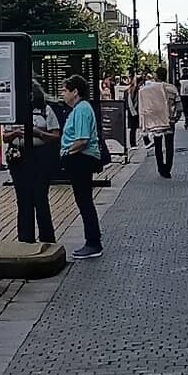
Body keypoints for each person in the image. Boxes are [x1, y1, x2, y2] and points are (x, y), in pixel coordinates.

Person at [5, 81, 60, 245]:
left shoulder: (46, 110)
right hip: (19, 156)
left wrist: (38, 133)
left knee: (40, 198)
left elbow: (56, 135)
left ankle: (47, 238)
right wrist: (16, 132)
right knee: (23, 200)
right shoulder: (14, 112)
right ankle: (25, 239)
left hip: (40, 157)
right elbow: (5, 136)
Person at [60, 75, 102, 260]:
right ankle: (92, 239)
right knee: (83, 200)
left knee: (84, 201)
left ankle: (93, 242)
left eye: (65, 90)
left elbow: (82, 139)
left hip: (81, 159)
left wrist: (67, 152)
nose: (62, 94)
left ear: (75, 92)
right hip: (79, 159)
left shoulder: (82, 109)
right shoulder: (79, 109)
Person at [137, 69, 182, 178]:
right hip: (169, 120)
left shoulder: (149, 89)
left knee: (158, 145)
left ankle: (161, 167)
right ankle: (168, 168)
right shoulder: (172, 88)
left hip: (156, 121)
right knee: (169, 145)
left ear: (156, 76)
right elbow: (179, 106)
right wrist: (175, 118)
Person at [127, 75, 141, 149]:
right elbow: (132, 101)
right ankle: (133, 143)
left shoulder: (131, 89)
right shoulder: (134, 89)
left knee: (134, 128)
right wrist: (134, 111)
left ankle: (134, 143)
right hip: (133, 111)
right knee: (133, 128)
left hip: (133, 110)